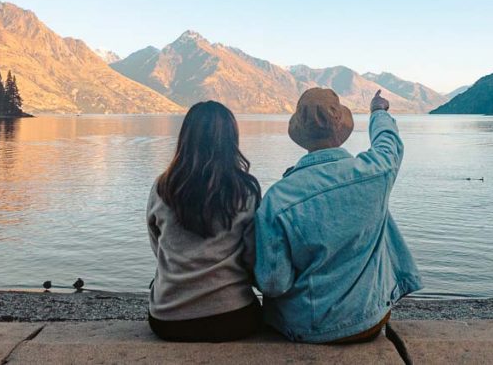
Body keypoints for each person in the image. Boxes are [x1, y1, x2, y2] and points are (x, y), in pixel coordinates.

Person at [254, 88, 422, 344]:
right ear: (340, 128)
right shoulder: (375, 171)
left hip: (303, 328)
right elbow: (388, 143)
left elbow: (275, 284)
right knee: (377, 209)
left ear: (301, 135)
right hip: (367, 321)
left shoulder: (278, 199)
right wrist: (378, 111)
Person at [146, 100, 263, 342]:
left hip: (168, 320)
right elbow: (252, 257)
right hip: (233, 317)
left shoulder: (162, 187)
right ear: (231, 140)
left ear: (185, 138)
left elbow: (158, 245)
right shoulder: (246, 190)